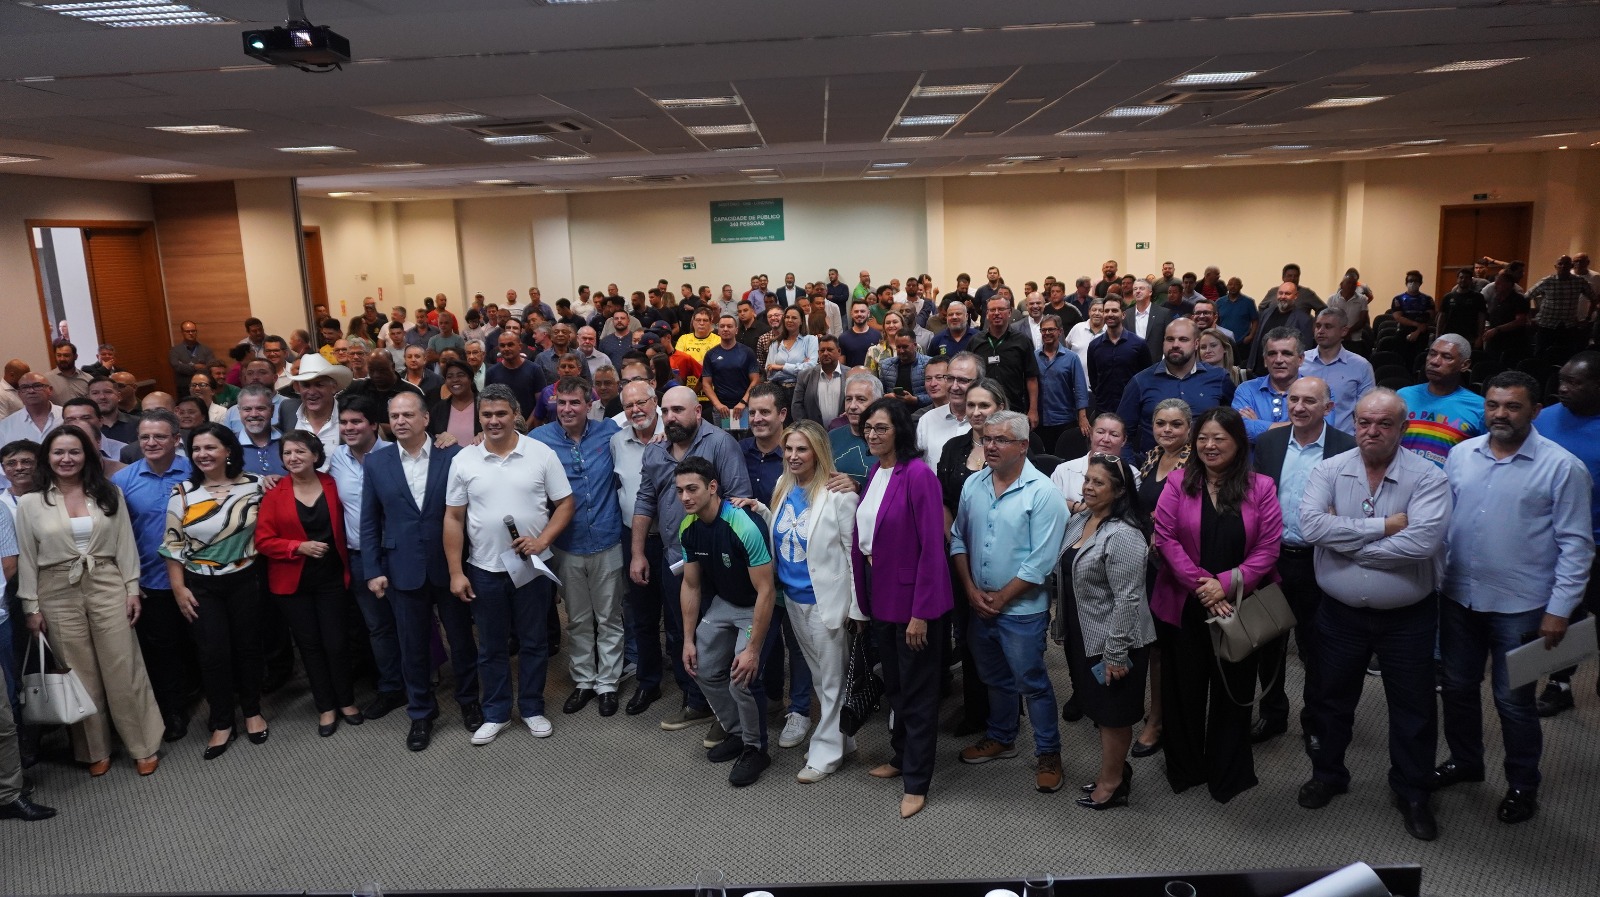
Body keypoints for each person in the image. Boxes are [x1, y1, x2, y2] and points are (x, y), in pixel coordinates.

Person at [1436, 371, 1593, 825]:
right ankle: (1466, 761)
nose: (1500, 414)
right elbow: (1444, 522)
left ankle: (1523, 784)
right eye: (1493, 405)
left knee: (1513, 703)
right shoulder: (1461, 454)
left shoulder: (1562, 467)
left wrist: (1560, 610)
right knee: (1458, 689)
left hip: (1522, 607)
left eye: (1512, 406)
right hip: (1458, 597)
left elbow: (1577, 546)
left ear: (1535, 411)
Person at [1296, 390, 1451, 841]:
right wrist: (1382, 527)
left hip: (1408, 618)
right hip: (1338, 614)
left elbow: (1422, 543)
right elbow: (1311, 526)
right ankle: (1328, 774)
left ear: (1403, 428)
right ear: (1354, 423)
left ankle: (1413, 791)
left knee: (1414, 708)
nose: (1372, 431)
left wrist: (1346, 547)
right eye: (1364, 422)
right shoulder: (1329, 469)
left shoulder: (1428, 476)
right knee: (1329, 699)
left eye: (1384, 424)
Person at [1150, 407, 1281, 803]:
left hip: (1240, 603)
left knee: (1232, 687)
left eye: (1219, 438)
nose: (1209, 445)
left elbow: (1268, 548)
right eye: (1203, 438)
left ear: (1238, 442)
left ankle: (1228, 770)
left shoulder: (1262, 486)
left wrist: (1224, 585)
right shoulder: (1178, 482)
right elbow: (1165, 537)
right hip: (1184, 602)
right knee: (1183, 688)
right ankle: (1186, 767)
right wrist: (1201, 587)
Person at [16, 426, 163, 777]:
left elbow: (125, 543)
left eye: (74, 452)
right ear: (47, 458)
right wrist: (30, 606)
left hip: (107, 582)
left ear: (87, 455)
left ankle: (143, 744)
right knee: (79, 673)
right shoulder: (31, 502)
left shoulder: (108, 492)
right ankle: (94, 749)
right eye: (58, 452)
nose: (66, 459)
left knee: (123, 666)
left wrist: (131, 588)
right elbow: (26, 557)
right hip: (56, 589)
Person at [732, 420, 862, 783]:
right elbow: (790, 530)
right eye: (788, 448)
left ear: (817, 452)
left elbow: (853, 556)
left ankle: (826, 753)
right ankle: (843, 740)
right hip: (791, 598)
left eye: (801, 449)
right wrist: (761, 510)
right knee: (821, 677)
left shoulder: (839, 495)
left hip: (826, 602)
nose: (792, 456)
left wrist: (856, 608)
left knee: (832, 681)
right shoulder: (783, 485)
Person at [445, 384, 572, 745]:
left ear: (515, 414)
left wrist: (543, 541)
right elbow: (453, 518)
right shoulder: (464, 460)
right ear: (479, 417)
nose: (494, 421)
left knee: (534, 641)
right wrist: (456, 571)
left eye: (501, 413)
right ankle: (497, 713)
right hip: (484, 569)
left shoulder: (541, 453)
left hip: (532, 566)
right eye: (486, 414)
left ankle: (531, 707)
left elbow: (565, 504)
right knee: (491, 646)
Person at [951, 410, 1070, 793]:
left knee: (1031, 682)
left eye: (1000, 440)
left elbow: (1041, 562)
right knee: (995, 678)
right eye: (987, 439)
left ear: (1022, 445)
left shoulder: (1043, 493)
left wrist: (999, 599)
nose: (990, 446)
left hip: (1021, 611)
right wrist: (970, 590)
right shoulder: (973, 485)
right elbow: (958, 538)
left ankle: (1048, 752)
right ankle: (1002, 737)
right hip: (979, 604)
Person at [850, 397, 953, 819]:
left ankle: (917, 780)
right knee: (894, 685)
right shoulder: (875, 472)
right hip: (881, 594)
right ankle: (901, 755)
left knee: (918, 693)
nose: (872, 434)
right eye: (868, 428)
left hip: (913, 602)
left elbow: (932, 548)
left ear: (900, 431)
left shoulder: (919, 475)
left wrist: (921, 613)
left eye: (881, 428)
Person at [629, 385, 752, 737]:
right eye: (666, 411)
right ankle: (696, 701)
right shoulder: (655, 451)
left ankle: (727, 711)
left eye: (679, 410)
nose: (671, 418)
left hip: (717, 562)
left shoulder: (720, 444)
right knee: (679, 630)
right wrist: (638, 552)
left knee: (717, 635)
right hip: (674, 559)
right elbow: (644, 502)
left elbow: (739, 499)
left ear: (697, 411)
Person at [361, 392, 481, 751]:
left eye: (408, 414)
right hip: (402, 568)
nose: (400, 421)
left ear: (426, 419)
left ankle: (469, 701)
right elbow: (370, 521)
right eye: (395, 415)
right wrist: (373, 569)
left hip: (450, 565)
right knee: (412, 646)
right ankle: (421, 713)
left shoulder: (453, 454)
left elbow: (469, 511)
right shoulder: (377, 462)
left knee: (462, 640)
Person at [1248, 378, 1355, 747]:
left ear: (1328, 408)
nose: (1299, 407)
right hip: (1273, 558)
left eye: (1309, 401)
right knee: (1268, 643)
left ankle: (1315, 721)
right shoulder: (1270, 442)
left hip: (1320, 560)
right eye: (1293, 399)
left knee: (1317, 647)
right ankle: (1272, 713)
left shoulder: (1346, 447)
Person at [161, 422, 269, 759]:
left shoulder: (255, 484)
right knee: (213, 653)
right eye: (196, 449)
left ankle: (252, 711)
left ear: (228, 451)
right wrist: (178, 589)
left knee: (249, 647)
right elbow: (172, 545)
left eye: (210, 447)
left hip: (246, 578)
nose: (202, 454)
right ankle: (222, 721)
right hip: (201, 585)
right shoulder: (182, 492)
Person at [1059, 453, 1156, 809]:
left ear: (1119, 491)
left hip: (1117, 640)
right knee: (1100, 710)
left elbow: (1129, 599)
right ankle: (1114, 771)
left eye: (1098, 482)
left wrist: (1115, 653)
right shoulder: (1081, 519)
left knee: (1113, 715)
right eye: (1087, 479)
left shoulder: (1125, 534)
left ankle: (1113, 783)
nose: (1087, 487)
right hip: (1086, 633)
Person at [674, 456, 777, 787]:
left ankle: (756, 748)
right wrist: (688, 640)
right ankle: (737, 732)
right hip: (725, 603)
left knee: (741, 678)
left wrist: (752, 650)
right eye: (680, 491)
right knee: (701, 667)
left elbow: (766, 591)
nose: (685, 497)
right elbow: (691, 586)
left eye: (692, 489)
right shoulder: (688, 527)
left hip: (757, 604)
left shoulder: (742, 525)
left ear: (712, 487)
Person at [255, 430, 364, 737]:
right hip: (292, 583)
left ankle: (346, 700)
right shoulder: (274, 493)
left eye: (300, 451)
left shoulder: (332, 484)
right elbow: (263, 541)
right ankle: (325, 706)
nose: (293, 458)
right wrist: (297, 547)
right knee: (310, 646)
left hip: (332, 578)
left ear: (315, 455)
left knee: (337, 642)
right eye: (287, 453)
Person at [531, 377, 627, 718]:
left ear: (589, 405)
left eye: (575, 402)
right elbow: (505, 446)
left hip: (607, 539)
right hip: (567, 545)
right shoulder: (538, 440)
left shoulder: (609, 433)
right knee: (579, 618)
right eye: (562, 402)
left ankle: (608, 683)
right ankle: (585, 681)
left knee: (609, 617)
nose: (567, 409)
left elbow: (644, 433)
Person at [109, 409, 201, 743]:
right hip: (151, 580)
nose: (151, 442)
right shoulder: (123, 481)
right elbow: (117, 536)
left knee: (204, 643)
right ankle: (174, 711)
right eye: (145, 437)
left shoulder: (196, 471)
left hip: (199, 575)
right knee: (163, 651)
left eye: (160, 436)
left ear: (176, 439)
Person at [935, 378, 1009, 733]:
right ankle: (976, 710)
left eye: (985, 405)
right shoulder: (953, 448)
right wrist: (953, 541)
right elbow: (944, 501)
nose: (977, 412)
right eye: (972, 405)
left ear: (1000, 408)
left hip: (1001, 556)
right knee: (966, 633)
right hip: (959, 554)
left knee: (1000, 633)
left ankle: (1005, 715)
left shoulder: (1013, 448)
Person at [1534, 352, 1600, 714]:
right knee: (1565, 613)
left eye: (1574, 383)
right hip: (1550, 539)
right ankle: (1560, 683)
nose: (1563, 388)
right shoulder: (1544, 418)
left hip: (1596, 538)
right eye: (1562, 380)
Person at [1118, 319, 1235, 455]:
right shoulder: (1141, 381)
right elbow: (1121, 433)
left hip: (1206, 464)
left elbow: (1234, 428)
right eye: (1170, 339)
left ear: (1196, 344)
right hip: (1155, 465)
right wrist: (1132, 466)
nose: (1175, 345)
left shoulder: (1219, 378)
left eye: (1183, 339)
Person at [1396, 335, 1484, 469]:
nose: (1435, 361)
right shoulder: (1402, 396)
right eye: (1432, 354)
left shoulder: (1479, 407)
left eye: (1447, 357)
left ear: (1464, 365)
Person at [1300, 308, 1375, 435]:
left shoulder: (1361, 366)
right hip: (1303, 437)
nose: (1320, 331)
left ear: (1344, 331)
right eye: (1318, 326)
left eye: (1328, 326)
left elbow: (1368, 410)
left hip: (1344, 438)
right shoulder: (1300, 361)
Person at [1232, 328, 1305, 443]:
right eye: (1272, 354)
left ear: (1300, 359)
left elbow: (1318, 431)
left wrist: (1257, 424)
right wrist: (1298, 427)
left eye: (1286, 353)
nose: (1279, 360)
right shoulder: (1246, 390)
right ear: (1265, 360)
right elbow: (1239, 430)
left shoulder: (1318, 392)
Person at [1035, 315, 1091, 452]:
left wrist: (1082, 417)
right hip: (1040, 421)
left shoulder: (1072, 358)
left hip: (1065, 420)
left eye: (1051, 329)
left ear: (1060, 331)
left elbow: (1080, 389)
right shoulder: (1033, 357)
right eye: (1043, 330)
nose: (1047, 333)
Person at [1087, 300, 1148, 417]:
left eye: (1114, 310)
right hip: (1103, 409)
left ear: (1123, 314)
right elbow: (1094, 379)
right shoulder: (1094, 346)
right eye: (1106, 311)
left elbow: (1145, 377)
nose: (1110, 314)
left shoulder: (1139, 344)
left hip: (1131, 409)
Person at [701, 315, 760, 428]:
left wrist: (743, 402)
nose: (725, 329)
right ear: (718, 330)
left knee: (747, 439)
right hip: (721, 410)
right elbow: (706, 384)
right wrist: (718, 405)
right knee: (723, 438)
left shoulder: (747, 352)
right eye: (722, 326)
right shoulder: (710, 354)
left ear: (736, 330)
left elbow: (755, 380)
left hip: (744, 408)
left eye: (729, 326)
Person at [1247, 283, 1315, 376]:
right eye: (1280, 293)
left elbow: (1305, 349)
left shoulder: (1304, 320)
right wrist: (1250, 365)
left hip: (1283, 373)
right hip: (1258, 371)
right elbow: (1256, 341)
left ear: (1296, 296)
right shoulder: (1266, 313)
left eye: (1287, 294)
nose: (1283, 297)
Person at [827, 373, 881, 486]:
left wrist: (858, 488)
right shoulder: (832, 437)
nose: (852, 406)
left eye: (861, 399)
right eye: (848, 399)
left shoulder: (887, 441)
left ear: (878, 403)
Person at [789, 334, 846, 427]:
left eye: (830, 350)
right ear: (818, 353)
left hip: (843, 431)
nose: (825, 353)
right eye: (822, 350)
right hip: (813, 432)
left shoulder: (850, 375)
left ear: (839, 351)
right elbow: (797, 406)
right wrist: (806, 429)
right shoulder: (805, 376)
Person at [428, 359, 480, 444]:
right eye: (449, 377)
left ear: (470, 378)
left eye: (460, 375)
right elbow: (430, 437)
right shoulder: (438, 409)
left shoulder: (485, 405)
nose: (455, 380)